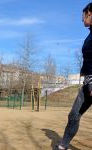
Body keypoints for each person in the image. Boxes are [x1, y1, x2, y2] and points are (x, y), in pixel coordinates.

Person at [54, 2, 92, 150]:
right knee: (74, 115)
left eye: (83, 16)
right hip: (88, 81)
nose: (82, 20)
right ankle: (63, 145)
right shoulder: (90, 34)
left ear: (90, 13)